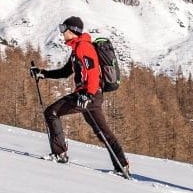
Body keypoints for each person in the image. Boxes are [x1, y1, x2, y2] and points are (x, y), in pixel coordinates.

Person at [31, 16, 131, 179]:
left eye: (64, 29)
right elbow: (65, 72)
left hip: (87, 95)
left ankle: (60, 154)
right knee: (103, 132)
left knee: (52, 112)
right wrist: (43, 73)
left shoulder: (83, 48)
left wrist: (87, 95)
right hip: (91, 96)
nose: (62, 32)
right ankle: (122, 166)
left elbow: (92, 73)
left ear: (73, 31)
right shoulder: (77, 49)